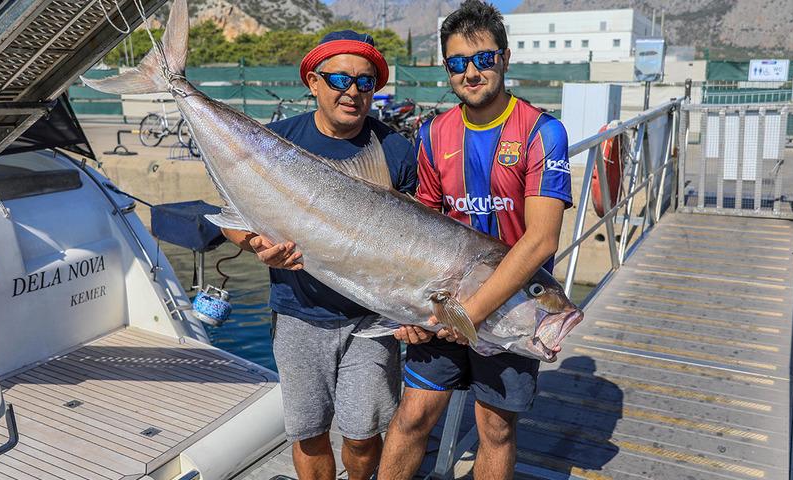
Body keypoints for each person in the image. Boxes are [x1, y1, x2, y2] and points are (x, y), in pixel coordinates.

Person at [379, 1, 572, 478]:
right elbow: (420, 226)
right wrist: (407, 307)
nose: (471, 72)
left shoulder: (543, 132)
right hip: (444, 301)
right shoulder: (431, 133)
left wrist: (471, 314)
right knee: (412, 417)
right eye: (457, 63)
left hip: (509, 305)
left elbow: (542, 240)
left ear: (504, 58)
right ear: (446, 69)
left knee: (496, 429)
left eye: (483, 58)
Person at [221, 30, 417, 480]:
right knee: (308, 432)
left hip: (371, 319)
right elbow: (230, 213)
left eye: (366, 82)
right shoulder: (273, 144)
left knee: (364, 434)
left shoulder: (396, 150)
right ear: (312, 81)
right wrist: (255, 246)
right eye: (338, 79)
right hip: (298, 313)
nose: (352, 92)